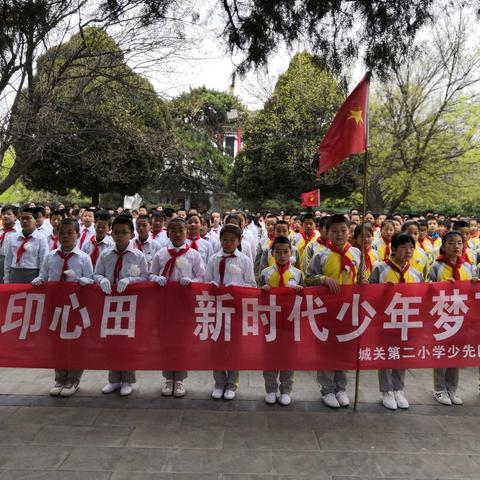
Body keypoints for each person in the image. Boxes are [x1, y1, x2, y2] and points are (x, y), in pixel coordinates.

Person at [306, 214, 364, 408]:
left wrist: (363, 282)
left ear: (349, 232)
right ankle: (327, 390)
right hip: (326, 311)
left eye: (343, 231)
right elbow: (308, 278)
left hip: (350, 311)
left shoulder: (357, 254)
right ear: (326, 233)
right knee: (326, 350)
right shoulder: (320, 254)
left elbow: (366, 279)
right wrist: (323, 279)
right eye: (334, 231)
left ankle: (341, 388)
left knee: (344, 350)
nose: (339, 235)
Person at [32, 218, 94, 397]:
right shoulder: (50, 256)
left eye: (70, 233)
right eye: (62, 232)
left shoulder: (83, 258)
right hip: (55, 305)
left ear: (78, 235)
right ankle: (60, 378)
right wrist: (39, 280)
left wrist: (85, 281)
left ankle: (73, 379)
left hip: (75, 306)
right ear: (56, 234)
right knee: (57, 342)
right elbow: (44, 275)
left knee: (75, 342)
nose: (65, 236)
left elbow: (91, 280)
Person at [149, 217, 205, 398]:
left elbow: (201, 277)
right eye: (173, 230)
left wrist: (192, 282)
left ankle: (179, 378)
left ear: (187, 232)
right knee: (165, 340)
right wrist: (155, 278)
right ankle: (168, 378)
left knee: (181, 340)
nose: (177, 234)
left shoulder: (194, 255)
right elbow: (150, 273)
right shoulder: (161, 254)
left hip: (184, 305)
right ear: (168, 233)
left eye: (181, 230)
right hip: (164, 304)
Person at [94, 215, 149, 396]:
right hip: (109, 302)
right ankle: (114, 379)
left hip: (130, 304)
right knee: (111, 341)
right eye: (116, 232)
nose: (119, 236)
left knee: (127, 342)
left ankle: (127, 379)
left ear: (131, 234)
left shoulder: (138, 256)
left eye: (124, 232)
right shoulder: (105, 254)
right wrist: (101, 280)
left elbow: (145, 278)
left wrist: (130, 279)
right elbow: (97, 274)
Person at [369, 232, 423, 410]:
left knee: (402, 354)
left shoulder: (415, 273)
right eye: (403, 247)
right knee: (386, 354)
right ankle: (386, 390)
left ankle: (398, 388)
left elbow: (423, 295)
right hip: (385, 320)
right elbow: (369, 292)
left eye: (411, 247)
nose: (408, 251)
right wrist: (381, 290)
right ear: (393, 249)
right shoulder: (380, 269)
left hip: (407, 320)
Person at [205, 224, 256, 400]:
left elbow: (251, 285)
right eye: (225, 240)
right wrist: (211, 286)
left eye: (232, 240)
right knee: (217, 347)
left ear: (239, 241)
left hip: (235, 310)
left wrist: (238, 288)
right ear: (220, 240)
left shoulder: (244, 260)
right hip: (216, 309)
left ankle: (232, 383)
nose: (228, 243)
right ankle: (219, 382)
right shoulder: (213, 259)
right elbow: (206, 281)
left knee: (234, 347)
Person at [428, 230, 478, 406]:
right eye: (451, 243)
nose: (456, 246)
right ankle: (439, 388)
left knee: (455, 352)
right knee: (441, 352)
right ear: (443, 246)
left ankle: (452, 388)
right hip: (442, 315)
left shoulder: (468, 266)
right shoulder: (436, 266)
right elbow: (426, 289)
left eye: (459, 243)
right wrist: (440, 286)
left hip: (461, 316)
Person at [259, 236, 303, 406]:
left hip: (291, 322)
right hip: (270, 321)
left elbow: (306, 298)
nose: (282, 255)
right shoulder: (266, 273)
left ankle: (286, 390)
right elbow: (257, 295)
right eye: (278, 251)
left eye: (286, 252)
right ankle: (270, 389)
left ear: (291, 253)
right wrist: (262, 290)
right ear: (272, 253)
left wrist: (301, 291)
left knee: (288, 357)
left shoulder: (298, 274)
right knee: (269, 356)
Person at [4, 207, 49, 284]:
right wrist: (6, 278)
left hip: (33, 274)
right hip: (15, 273)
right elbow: (8, 260)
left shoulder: (41, 239)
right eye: (22, 218)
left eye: (28, 218)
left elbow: (44, 260)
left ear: (35, 220)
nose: (25, 221)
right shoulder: (13, 238)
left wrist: (41, 278)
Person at [0, 205, 18, 283]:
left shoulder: (19, 232)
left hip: (12, 261)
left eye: (8, 214)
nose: (5, 216)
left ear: (15, 217)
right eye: (3, 214)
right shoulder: (0, 230)